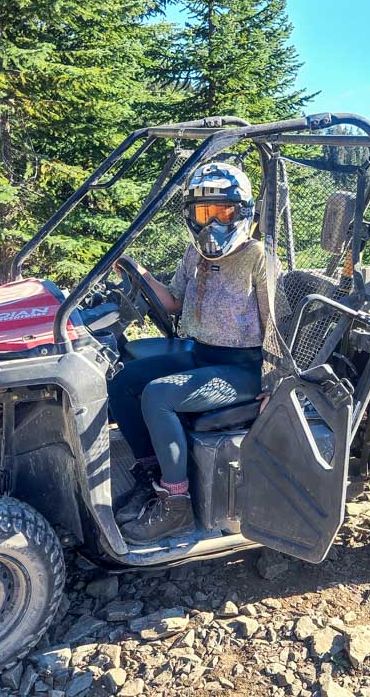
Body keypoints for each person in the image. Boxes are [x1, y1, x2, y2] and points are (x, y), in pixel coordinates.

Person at [107, 160, 270, 545]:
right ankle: (152, 476)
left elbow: (278, 322)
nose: (213, 223)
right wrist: (139, 272)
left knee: (159, 394)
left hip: (243, 368)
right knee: (124, 381)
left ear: (242, 211)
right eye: (204, 213)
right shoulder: (195, 255)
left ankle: (175, 504)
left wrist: (277, 383)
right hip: (202, 354)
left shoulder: (257, 256)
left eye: (223, 212)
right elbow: (174, 303)